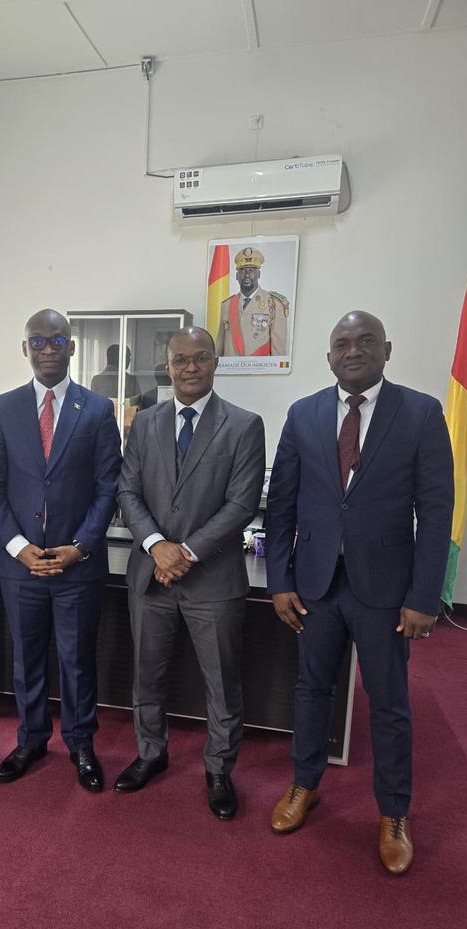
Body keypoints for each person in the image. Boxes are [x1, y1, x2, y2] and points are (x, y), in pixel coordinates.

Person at [264, 310, 454, 874]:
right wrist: (280, 581)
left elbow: (436, 509)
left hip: (386, 591)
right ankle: (304, 785)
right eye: (342, 343)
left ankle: (393, 813)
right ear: (329, 357)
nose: (354, 350)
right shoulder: (303, 414)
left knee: (389, 704)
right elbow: (282, 506)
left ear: (386, 350)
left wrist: (425, 596)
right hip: (316, 585)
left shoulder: (420, 413)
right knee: (310, 691)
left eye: (365, 341)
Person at [114, 326, 266, 818]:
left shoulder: (244, 425)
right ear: (168, 365)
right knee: (147, 674)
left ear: (215, 361)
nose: (190, 367)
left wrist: (187, 553)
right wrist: (159, 547)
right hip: (151, 576)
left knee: (221, 681)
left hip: (213, 580)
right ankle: (149, 754)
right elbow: (128, 494)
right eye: (181, 359)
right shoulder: (145, 422)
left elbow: (242, 503)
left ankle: (219, 769)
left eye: (201, 357)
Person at [0, 309, 122, 792]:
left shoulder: (98, 410)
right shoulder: (3, 408)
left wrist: (80, 547)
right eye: (37, 341)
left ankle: (82, 743)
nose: (46, 349)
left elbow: (109, 488)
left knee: (78, 659)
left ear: (71, 347)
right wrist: (17, 547)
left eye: (56, 341)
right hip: (21, 566)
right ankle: (32, 738)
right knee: (27, 659)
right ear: (25, 348)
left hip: (76, 567)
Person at [215, 247, 289, 357]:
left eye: (251, 270)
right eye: (242, 271)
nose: (247, 274)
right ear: (236, 276)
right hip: (230, 371)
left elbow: (278, 350)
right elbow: (219, 346)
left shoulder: (274, 303)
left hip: (259, 370)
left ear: (259, 274)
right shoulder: (227, 305)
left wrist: (276, 373)